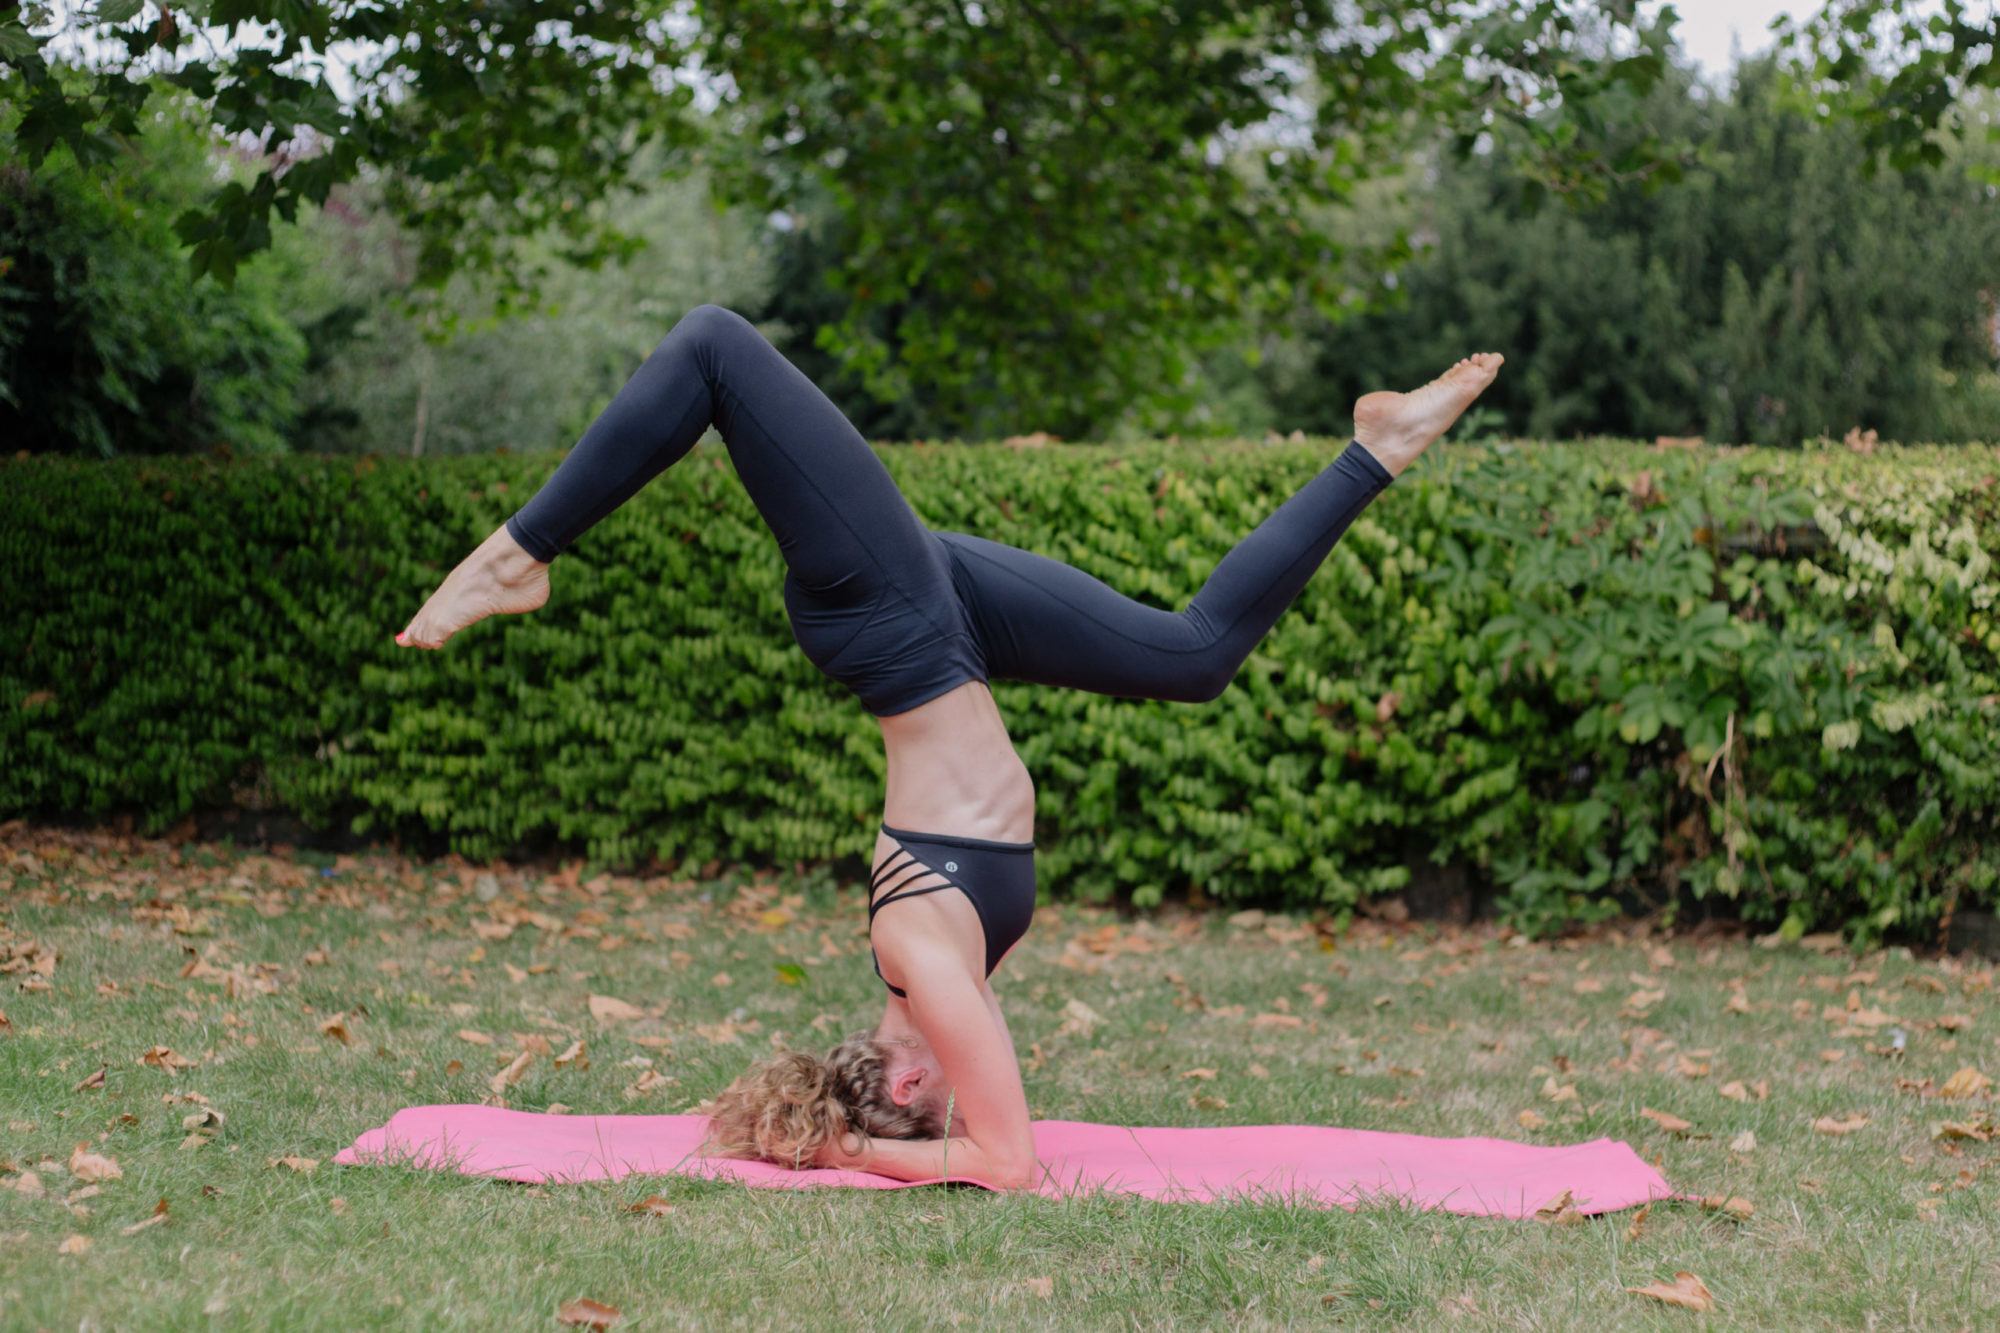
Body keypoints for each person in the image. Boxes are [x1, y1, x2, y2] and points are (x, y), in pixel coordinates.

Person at [397, 304, 1502, 1190]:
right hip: (947, 623)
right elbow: (983, 1132)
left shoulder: (926, 966)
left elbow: (1006, 1165)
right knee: (1189, 657)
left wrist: (848, 1150)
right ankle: (1377, 447)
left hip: (895, 624)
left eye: (941, 1101)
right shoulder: (946, 972)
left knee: (715, 347)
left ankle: (518, 553)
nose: (970, 1090)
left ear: (911, 1075)